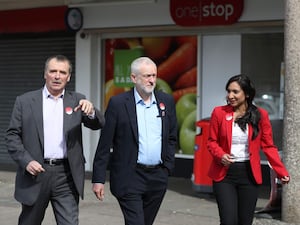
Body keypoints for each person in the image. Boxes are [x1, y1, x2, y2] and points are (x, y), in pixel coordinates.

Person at [5, 55, 105, 225]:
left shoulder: (77, 100)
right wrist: (26, 161)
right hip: (35, 174)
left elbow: (98, 123)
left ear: (69, 77)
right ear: (45, 74)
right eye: (53, 71)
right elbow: (12, 136)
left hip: (66, 175)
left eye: (62, 72)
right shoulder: (25, 101)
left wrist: (91, 112)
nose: (57, 76)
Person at [92, 56, 177, 225]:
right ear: (133, 78)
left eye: (154, 75)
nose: (151, 80)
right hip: (129, 176)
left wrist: (167, 167)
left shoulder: (166, 101)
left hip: (157, 177)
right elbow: (105, 142)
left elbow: (172, 137)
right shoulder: (118, 103)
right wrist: (98, 179)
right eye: (147, 76)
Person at [207, 74, 290, 225]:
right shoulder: (219, 113)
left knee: (245, 221)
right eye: (228, 91)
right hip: (224, 175)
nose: (230, 96)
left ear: (247, 94)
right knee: (228, 221)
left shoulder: (260, 115)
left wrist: (281, 171)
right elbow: (211, 142)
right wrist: (221, 155)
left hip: (249, 174)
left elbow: (268, 146)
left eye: (235, 92)